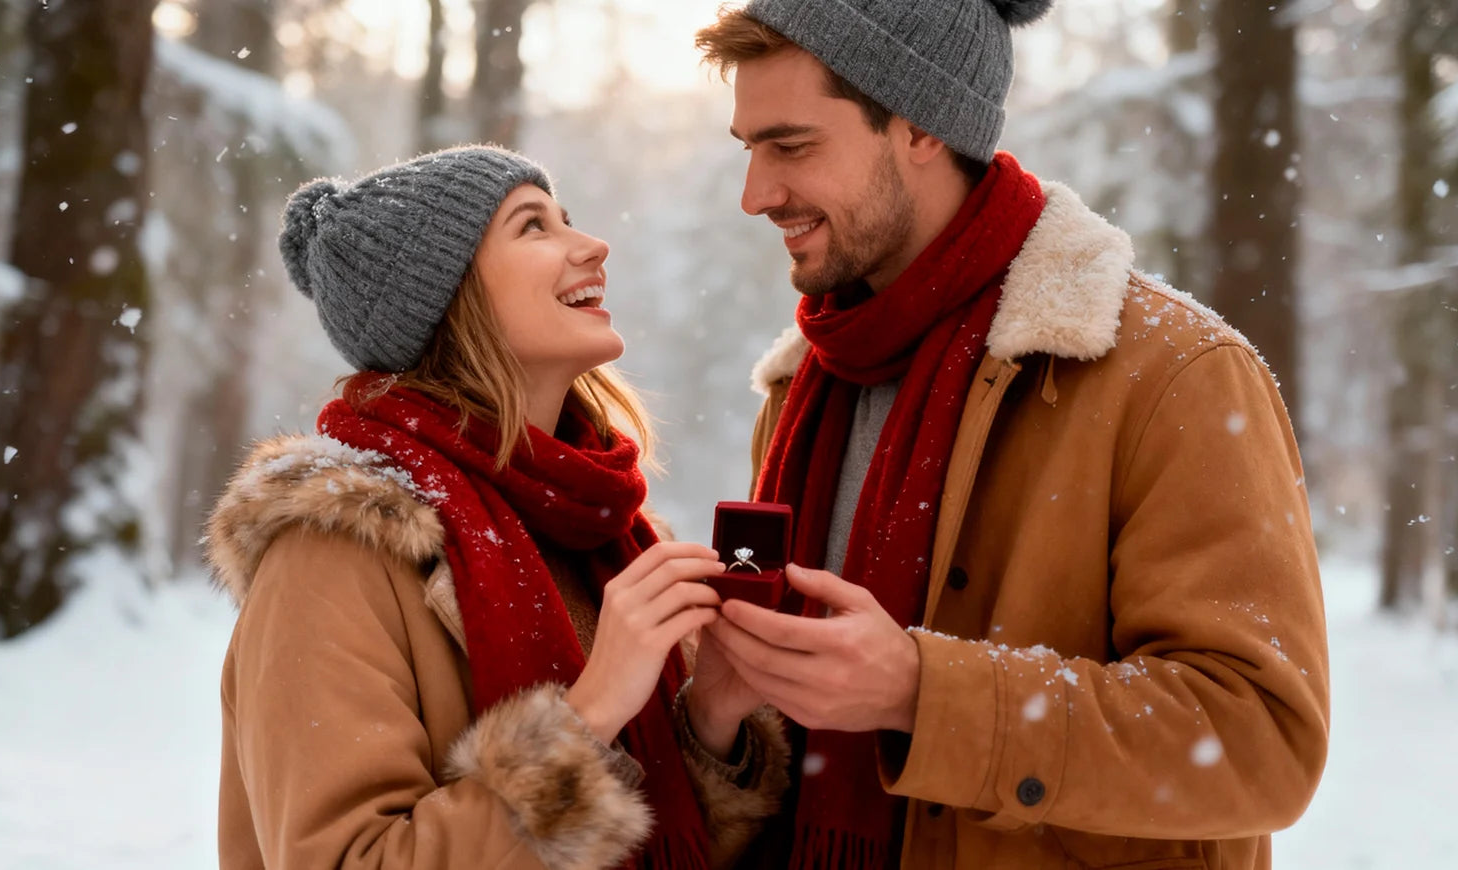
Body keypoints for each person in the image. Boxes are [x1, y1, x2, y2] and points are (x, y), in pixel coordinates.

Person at [690, 2, 1331, 868]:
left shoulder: (1170, 372)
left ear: (919, 126)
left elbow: (1259, 739)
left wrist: (923, 694)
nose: (755, 194)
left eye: (791, 146)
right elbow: (799, 738)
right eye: (750, 148)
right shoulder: (803, 384)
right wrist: (723, 721)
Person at [208, 146, 788, 870]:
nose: (593, 245)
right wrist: (591, 713)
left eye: (567, 218)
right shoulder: (333, 557)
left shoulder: (607, 533)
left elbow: (651, 842)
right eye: (533, 227)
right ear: (448, 297)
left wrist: (709, 720)